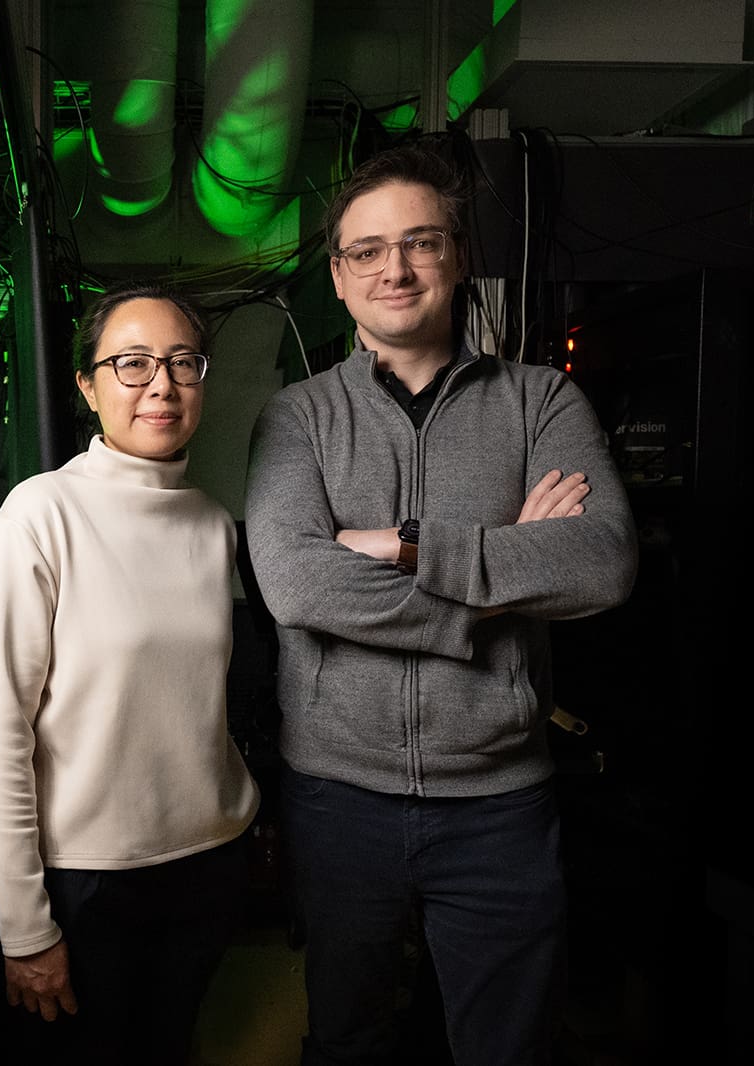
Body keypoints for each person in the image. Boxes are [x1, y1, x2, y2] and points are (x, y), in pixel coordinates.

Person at [243, 140, 638, 1066]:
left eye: (421, 242)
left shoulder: (542, 402)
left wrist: (405, 543)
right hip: (339, 799)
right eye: (368, 250)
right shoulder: (296, 417)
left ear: (458, 258)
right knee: (350, 1039)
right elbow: (296, 581)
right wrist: (500, 588)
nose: (397, 268)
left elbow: (604, 563)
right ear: (339, 280)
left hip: (500, 802)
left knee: (509, 1046)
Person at [0, 280, 261, 1065]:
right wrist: (25, 925)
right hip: (87, 884)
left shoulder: (208, 522)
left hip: (208, 865)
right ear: (87, 386)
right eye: (131, 363)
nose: (160, 384)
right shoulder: (41, 514)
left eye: (181, 362)